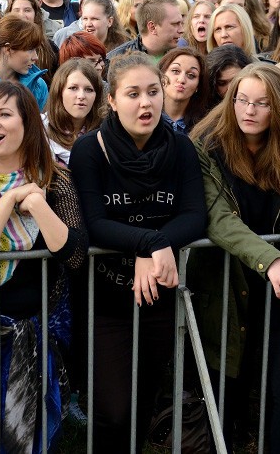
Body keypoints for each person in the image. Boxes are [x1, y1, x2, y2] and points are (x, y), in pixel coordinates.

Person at [68, 51, 206, 452]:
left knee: (143, 399)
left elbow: (195, 216)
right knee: (112, 408)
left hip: (158, 297)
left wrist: (155, 243)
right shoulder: (90, 150)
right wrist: (151, 241)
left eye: (152, 92)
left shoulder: (181, 148)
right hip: (106, 301)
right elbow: (94, 222)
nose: (145, 103)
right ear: (111, 100)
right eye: (132, 94)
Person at [0, 80, 87, 451]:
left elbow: (74, 254)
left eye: (4, 115)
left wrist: (40, 206)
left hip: (40, 330)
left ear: (27, 122)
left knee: (37, 432)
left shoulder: (57, 180)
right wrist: (9, 199)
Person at [189, 63, 280, 453]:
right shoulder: (207, 145)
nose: (248, 110)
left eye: (262, 103)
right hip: (227, 280)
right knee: (226, 386)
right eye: (241, 100)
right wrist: (273, 260)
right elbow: (218, 219)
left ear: (279, 107)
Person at [43, 58, 104, 166]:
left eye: (89, 89)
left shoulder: (105, 133)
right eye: (73, 88)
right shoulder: (40, 130)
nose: (81, 96)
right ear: (59, 91)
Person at [107, 0, 183, 62]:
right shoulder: (116, 60)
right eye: (175, 24)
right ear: (152, 27)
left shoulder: (182, 57)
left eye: (181, 23)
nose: (181, 30)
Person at [158, 46, 210, 134]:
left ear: (198, 85)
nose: (181, 80)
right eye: (175, 71)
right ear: (161, 75)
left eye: (191, 75)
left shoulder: (205, 126)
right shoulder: (146, 116)